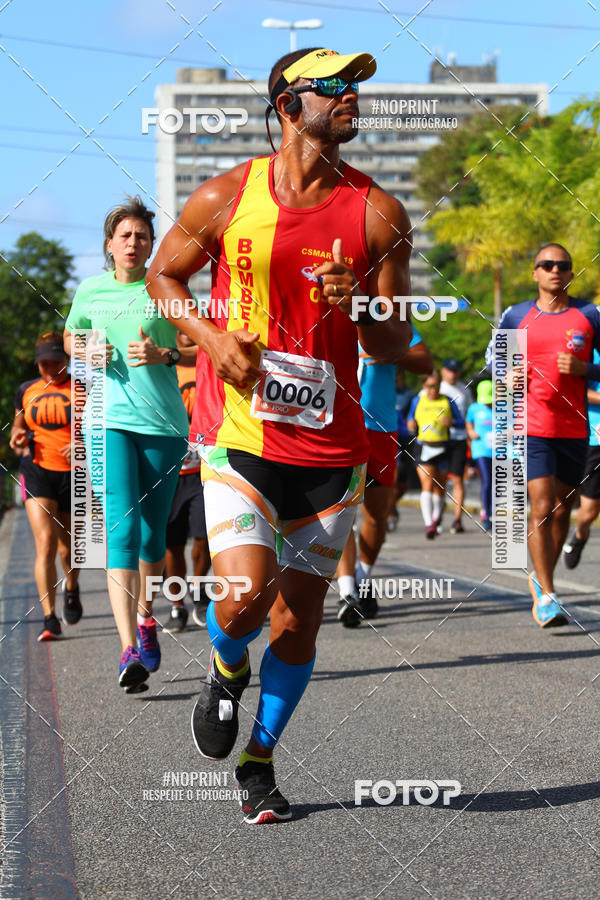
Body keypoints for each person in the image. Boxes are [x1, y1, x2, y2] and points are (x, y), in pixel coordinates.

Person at [146, 47, 412, 822]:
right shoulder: (228, 197)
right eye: (335, 87)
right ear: (289, 107)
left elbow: (395, 343)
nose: (353, 97)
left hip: (333, 448)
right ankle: (227, 668)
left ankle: (258, 763)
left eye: (357, 86)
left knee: (297, 622)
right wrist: (211, 338)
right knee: (241, 600)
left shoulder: (378, 212)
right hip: (239, 433)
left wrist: (360, 302)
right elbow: (166, 276)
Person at [64, 196, 189, 690]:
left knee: (154, 536)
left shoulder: (165, 290)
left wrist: (163, 353)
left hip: (163, 425)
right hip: (106, 421)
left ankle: (146, 617)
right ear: (109, 245)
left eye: (141, 236)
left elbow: (200, 341)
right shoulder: (90, 292)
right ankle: (127, 650)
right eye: (125, 236)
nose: (133, 243)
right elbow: (72, 338)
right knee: (123, 526)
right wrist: (87, 347)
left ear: (151, 244)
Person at [488, 243, 600, 627]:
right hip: (531, 426)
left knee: (563, 509)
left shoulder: (589, 315)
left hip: (573, 429)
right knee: (541, 506)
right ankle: (548, 595)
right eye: (547, 265)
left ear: (571, 274)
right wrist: (507, 375)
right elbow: (494, 360)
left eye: (563, 265)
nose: (555, 270)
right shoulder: (517, 315)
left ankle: (541, 580)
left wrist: (586, 369)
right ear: (535, 272)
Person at [336, 330, 433, 625]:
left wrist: (391, 352)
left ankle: (362, 578)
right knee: (342, 512)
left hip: (381, 429)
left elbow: (425, 363)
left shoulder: (386, 318)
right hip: (338, 426)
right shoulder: (325, 314)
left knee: (377, 514)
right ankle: (347, 592)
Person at [10, 332, 81, 641]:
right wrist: (16, 438)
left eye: (55, 362)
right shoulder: (26, 390)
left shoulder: (83, 387)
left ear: (65, 360)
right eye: (43, 364)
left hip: (75, 474)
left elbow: (100, 427)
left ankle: (72, 587)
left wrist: (82, 444)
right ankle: (50, 618)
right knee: (46, 544)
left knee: (70, 550)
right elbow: (18, 426)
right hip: (37, 470)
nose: (49, 369)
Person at [163, 335, 211, 633]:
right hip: (169, 472)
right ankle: (177, 605)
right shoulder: (165, 368)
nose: (189, 334)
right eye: (181, 330)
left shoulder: (208, 364)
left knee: (204, 536)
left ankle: (200, 590)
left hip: (203, 470)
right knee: (173, 543)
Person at [407, 370, 464, 539]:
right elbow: (409, 420)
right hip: (424, 447)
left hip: (443, 447)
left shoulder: (447, 401)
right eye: (430, 386)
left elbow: (462, 422)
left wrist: (452, 422)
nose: (434, 389)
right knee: (427, 484)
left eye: (437, 385)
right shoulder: (417, 400)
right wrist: (410, 425)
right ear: (424, 386)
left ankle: (436, 518)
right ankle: (428, 524)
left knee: (440, 488)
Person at [562, 349, 600, 569]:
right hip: (595, 441)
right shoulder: (590, 353)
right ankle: (579, 536)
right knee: (589, 511)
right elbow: (578, 392)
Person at [439, 358, 472, 534]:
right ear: (443, 371)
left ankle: (457, 520)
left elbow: (469, 416)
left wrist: (469, 438)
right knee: (440, 480)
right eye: (450, 370)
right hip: (439, 440)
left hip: (458, 439)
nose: (453, 374)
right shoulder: (436, 388)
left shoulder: (464, 389)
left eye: (456, 371)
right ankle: (436, 515)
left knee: (458, 479)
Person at [465, 379, 494, 531]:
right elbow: (468, 422)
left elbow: (511, 424)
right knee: (487, 479)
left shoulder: (502, 408)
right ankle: (487, 516)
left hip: (498, 449)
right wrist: (470, 432)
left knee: (495, 483)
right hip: (480, 449)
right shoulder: (474, 408)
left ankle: (488, 509)